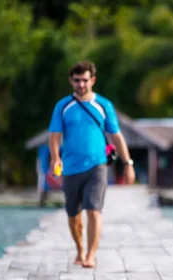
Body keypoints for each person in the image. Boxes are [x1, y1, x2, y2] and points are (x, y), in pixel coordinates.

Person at [48, 60, 135, 268]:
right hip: (70, 167)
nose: (81, 85)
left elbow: (116, 136)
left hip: (97, 166)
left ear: (92, 80)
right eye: (77, 81)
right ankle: (80, 249)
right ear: (71, 81)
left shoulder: (103, 105)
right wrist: (55, 157)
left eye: (85, 80)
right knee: (73, 215)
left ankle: (91, 255)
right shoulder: (63, 106)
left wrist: (128, 163)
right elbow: (54, 136)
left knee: (94, 210)